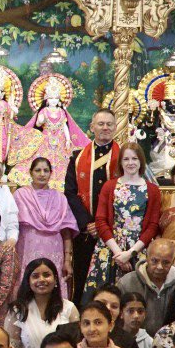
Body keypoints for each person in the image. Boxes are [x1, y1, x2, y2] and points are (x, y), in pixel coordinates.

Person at [87, 141, 160, 298]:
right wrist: (118, 253)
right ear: (120, 162)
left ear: (141, 161)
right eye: (126, 159)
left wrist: (131, 253)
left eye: (134, 159)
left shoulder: (153, 190)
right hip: (111, 249)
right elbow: (101, 221)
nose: (130, 163)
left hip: (138, 249)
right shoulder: (109, 186)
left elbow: (153, 226)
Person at [63, 108, 117, 301]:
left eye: (109, 124)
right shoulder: (77, 158)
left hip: (114, 233)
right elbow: (70, 192)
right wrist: (87, 223)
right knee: (82, 280)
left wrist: (105, 225)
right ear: (92, 127)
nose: (105, 128)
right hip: (86, 233)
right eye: (100, 124)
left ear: (115, 127)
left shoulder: (124, 157)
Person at [3, 256, 77, 348]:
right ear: (28, 281)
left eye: (46, 275)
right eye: (35, 276)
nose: (41, 279)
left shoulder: (69, 309)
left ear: (55, 280)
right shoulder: (17, 311)